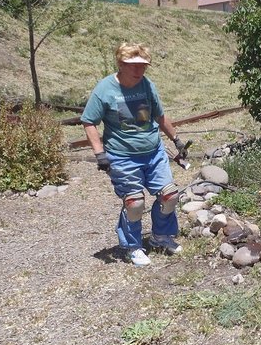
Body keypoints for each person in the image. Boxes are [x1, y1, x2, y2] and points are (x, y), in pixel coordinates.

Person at [81, 42, 189, 266]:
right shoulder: (105, 89)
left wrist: (177, 141)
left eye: (143, 66)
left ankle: (160, 236)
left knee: (169, 196)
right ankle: (132, 246)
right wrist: (100, 154)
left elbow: (160, 116)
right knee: (134, 203)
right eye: (134, 66)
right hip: (122, 156)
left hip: (153, 152)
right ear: (121, 64)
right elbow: (89, 121)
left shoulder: (147, 85)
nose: (140, 70)